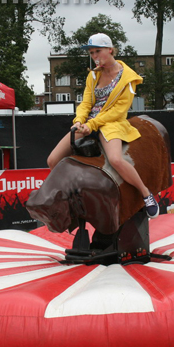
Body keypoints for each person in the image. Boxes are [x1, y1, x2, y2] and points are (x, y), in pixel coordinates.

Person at [47, 33, 159, 218]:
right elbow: (86, 103)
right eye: (91, 53)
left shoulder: (129, 78)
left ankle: (146, 194)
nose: (95, 56)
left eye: (98, 51)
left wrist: (92, 124)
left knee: (115, 160)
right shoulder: (93, 75)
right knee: (52, 160)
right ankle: (75, 197)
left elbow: (119, 111)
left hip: (111, 124)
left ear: (110, 50)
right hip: (88, 124)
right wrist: (78, 121)